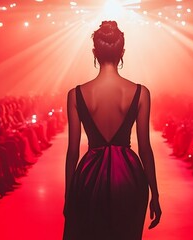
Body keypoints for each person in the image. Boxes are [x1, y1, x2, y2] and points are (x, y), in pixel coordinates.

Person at [63, 21, 161, 240]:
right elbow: (145, 148)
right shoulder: (141, 93)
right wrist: (155, 192)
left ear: (94, 52)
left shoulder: (76, 94)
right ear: (122, 52)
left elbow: (72, 152)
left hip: (89, 177)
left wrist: (69, 196)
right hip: (129, 176)